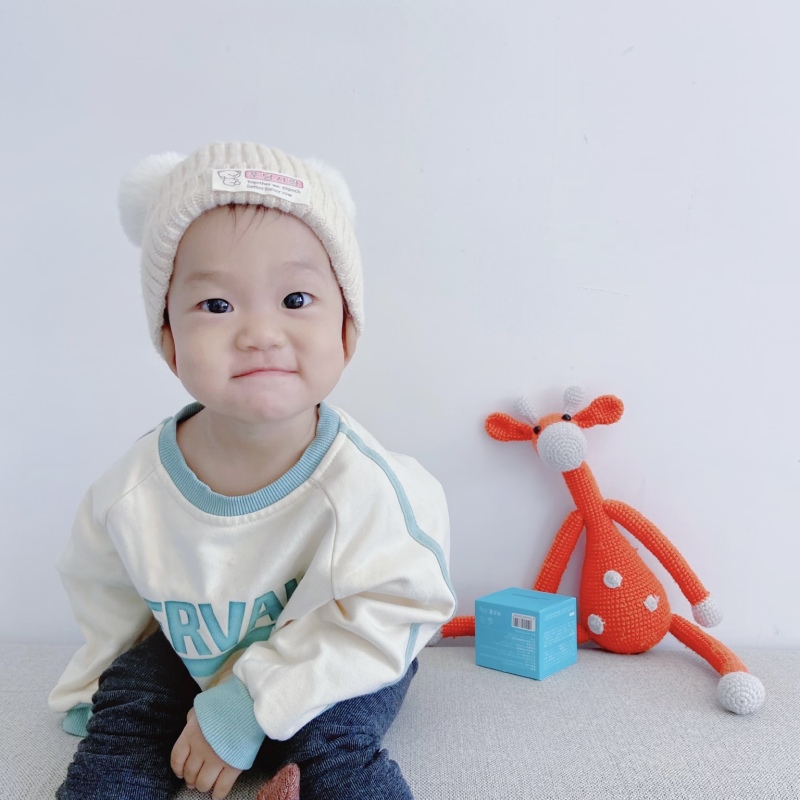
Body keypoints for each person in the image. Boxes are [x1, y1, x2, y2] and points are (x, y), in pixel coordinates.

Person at [49, 141, 457, 800]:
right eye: (217, 306)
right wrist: (100, 686)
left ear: (347, 328)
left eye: (295, 298)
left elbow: (399, 607)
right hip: (197, 653)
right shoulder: (133, 491)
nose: (260, 333)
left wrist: (249, 704)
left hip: (336, 647)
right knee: (127, 711)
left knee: (329, 743)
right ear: (169, 338)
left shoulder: (370, 487)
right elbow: (106, 589)